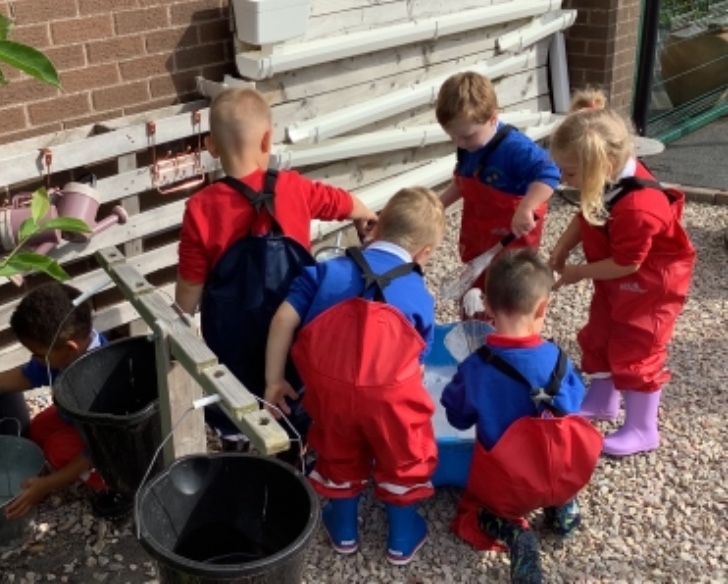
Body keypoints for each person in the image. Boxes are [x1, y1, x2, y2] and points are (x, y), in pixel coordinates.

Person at [175, 87, 377, 453]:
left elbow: (191, 282)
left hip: (232, 331)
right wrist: (365, 215)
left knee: (232, 390)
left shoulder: (201, 207)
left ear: (211, 147)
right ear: (268, 139)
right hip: (293, 321)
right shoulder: (293, 187)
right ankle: (295, 444)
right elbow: (341, 202)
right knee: (294, 384)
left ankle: (237, 442)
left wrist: (181, 321)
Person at [265, 187, 444, 565]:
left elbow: (282, 319)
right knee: (404, 455)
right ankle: (401, 537)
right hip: (389, 397)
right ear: (424, 253)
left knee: (336, 447)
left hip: (328, 390)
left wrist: (274, 380)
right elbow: (418, 365)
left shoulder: (324, 271)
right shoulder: (417, 293)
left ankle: (344, 529)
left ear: (376, 225)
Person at [548, 89, 696, 457]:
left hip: (650, 287)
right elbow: (587, 212)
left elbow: (629, 262)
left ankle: (643, 428)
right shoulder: (605, 178)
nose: (563, 179)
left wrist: (579, 271)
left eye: (569, 172)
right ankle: (603, 400)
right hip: (618, 278)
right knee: (600, 333)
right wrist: (563, 246)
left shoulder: (638, 208)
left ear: (603, 164)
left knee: (637, 347)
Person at [441, 250, 599, 584]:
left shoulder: (476, 367)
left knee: (478, 511)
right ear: (543, 307)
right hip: (562, 473)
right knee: (557, 477)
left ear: (487, 306)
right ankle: (563, 513)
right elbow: (574, 409)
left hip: (507, 485)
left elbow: (457, 418)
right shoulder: (559, 359)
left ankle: (515, 533)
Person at [0, 283, 129, 519]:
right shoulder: (66, 354)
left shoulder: (101, 386)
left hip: (110, 442)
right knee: (38, 429)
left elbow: (95, 450)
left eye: (37, 354)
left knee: (57, 450)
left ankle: (117, 486)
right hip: (80, 422)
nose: (34, 359)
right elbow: (25, 376)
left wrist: (46, 485)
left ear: (70, 348)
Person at [435, 71, 560, 292]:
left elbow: (550, 173)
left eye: (467, 136)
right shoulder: (468, 147)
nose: (460, 143)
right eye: (452, 137)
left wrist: (527, 206)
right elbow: (463, 183)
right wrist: (437, 205)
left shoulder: (515, 148)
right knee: (477, 289)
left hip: (512, 240)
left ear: (493, 118)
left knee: (510, 290)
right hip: (477, 236)